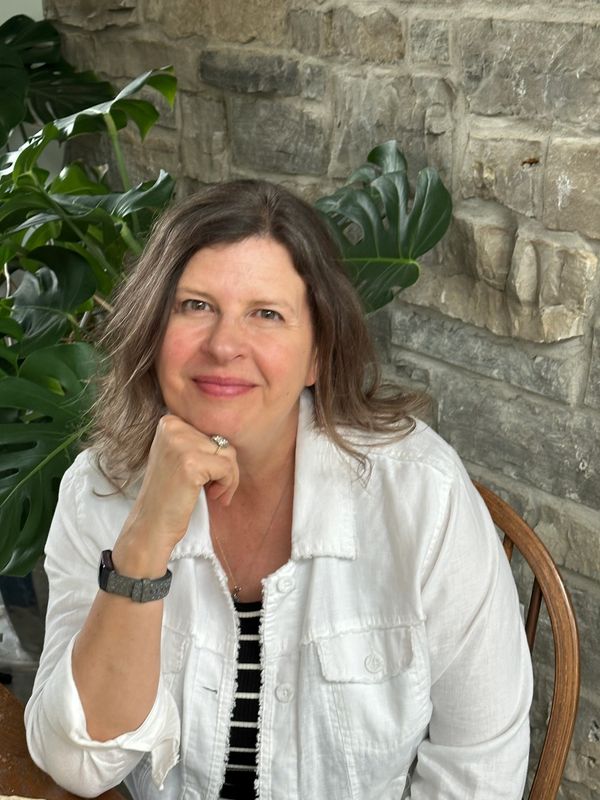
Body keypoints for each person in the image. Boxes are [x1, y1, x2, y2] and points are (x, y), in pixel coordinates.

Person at [25, 179, 533, 800]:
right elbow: (76, 763)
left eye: (266, 314)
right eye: (195, 306)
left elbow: (479, 769)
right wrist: (146, 538)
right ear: (154, 332)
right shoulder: (99, 490)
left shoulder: (421, 495)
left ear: (317, 354)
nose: (224, 345)